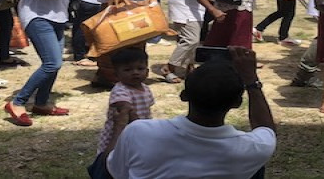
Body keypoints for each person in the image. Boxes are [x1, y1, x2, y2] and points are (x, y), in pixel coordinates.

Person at [105, 47, 276, 178]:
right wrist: (251, 80)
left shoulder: (139, 131)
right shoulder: (253, 148)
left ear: (183, 96)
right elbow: (266, 130)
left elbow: (114, 172)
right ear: (238, 103)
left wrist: (120, 125)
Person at [5, 0, 91, 126]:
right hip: (37, 16)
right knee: (52, 63)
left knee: (53, 64)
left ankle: (41, 103)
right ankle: (18, 102)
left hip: (56, 16)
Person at [90, 48, 154, 175]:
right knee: (116, 157)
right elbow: (125, 109)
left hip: (139, 131)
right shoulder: (121, 89)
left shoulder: (145, 88)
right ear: (116, 74)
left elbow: (148, 109)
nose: (135, 73)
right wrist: (141, 126)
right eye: (128, 70)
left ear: (147, 71)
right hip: (121, 132)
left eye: (140, 69)